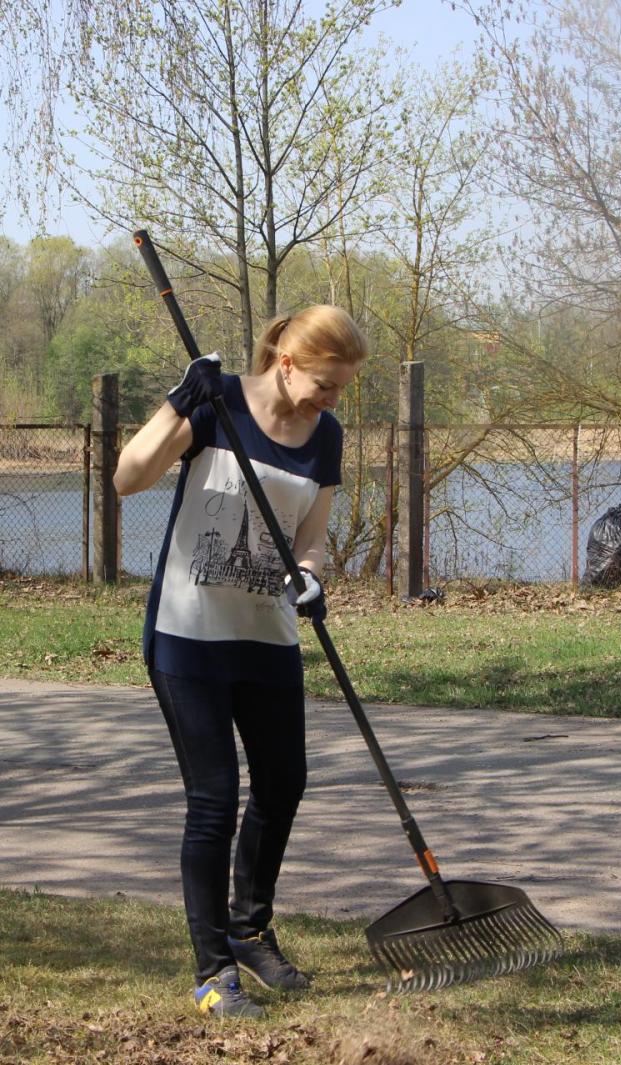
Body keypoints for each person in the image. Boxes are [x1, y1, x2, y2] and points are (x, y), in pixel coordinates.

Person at [113, 305, 366, 1019]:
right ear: (287, 362)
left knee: (284, 781)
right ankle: (212, 971)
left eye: (340, 388)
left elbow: (309, 537)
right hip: (189, 637)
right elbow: (127, 476)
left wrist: (313, 575)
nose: (331, 399)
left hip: (267, 636)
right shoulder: (219, 404)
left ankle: (250, 929)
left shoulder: (327, 437)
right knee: (214, 800)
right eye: (325, 382)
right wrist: (177, 403)